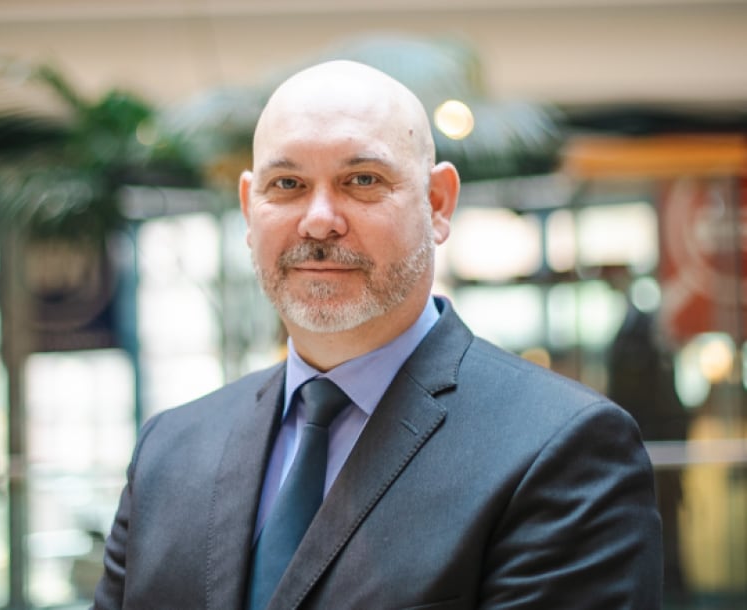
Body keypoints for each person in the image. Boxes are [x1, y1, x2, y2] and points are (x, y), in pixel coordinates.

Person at [92, 60, 662, 609]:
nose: (318, 219)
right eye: (287, 183)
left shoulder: (562, 448)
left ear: (437, 204)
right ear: (248, 208)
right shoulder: (169, 450)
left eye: (362, 180)